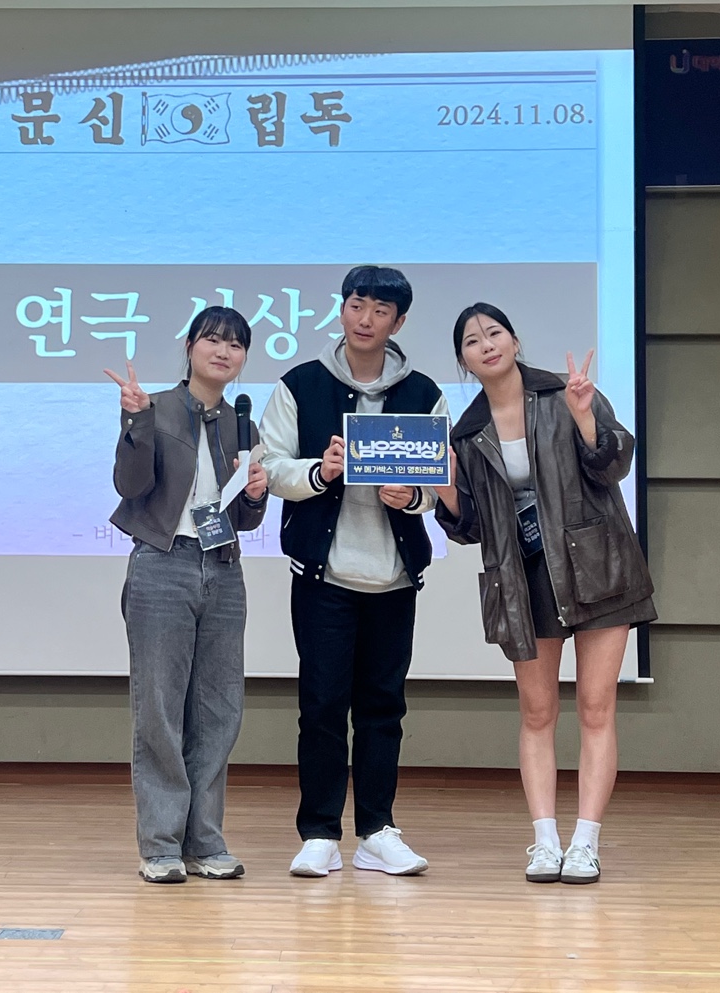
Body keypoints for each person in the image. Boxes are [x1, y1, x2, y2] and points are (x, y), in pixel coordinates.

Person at [433, 302, 655, 886]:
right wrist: (448, 490)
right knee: (537, 713)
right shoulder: (466, 432)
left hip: (597, 565)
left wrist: (584, 418)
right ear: (463, 360)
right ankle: (545, 841)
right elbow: (471, 527)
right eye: (473, 340)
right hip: (524, 577)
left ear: (514, 340)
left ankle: (586, 842)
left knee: (596, 708)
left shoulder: (565, 393)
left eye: (494, 333)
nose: (486, 344)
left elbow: (613, 464)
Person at [260, 265, 448, 878]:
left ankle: (376, 830)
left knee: (383, 707)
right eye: (356, 305)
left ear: (399, 321)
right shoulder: (300, 384)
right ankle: (319, 832)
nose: (365, 319)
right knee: (320, 705)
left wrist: (412, 498)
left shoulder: (424, 393)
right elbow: (271, 467)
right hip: (324, 575)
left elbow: (438, 483)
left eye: (380, 310)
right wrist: (321, 471)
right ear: (341, 309)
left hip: (393, 577)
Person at [107, 306, 269, 884]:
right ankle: (160, 844)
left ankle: (205, 841)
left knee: (219, 711)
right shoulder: (154, 407)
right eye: (213, 340)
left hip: (223, 570)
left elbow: (243, 519)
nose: (223, 352)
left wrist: (256, 494)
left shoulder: (243, 426)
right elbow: (130, 485)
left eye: (235, 345)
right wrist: (135, 421)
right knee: (159, 709)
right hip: (162, 565)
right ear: (191, 347)